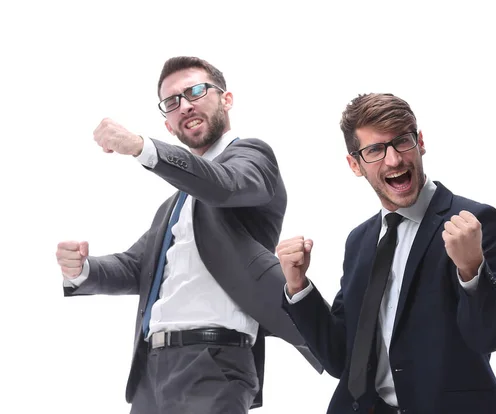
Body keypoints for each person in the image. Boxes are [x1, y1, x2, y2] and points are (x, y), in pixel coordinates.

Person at [56, 56, 320, 414]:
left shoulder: (253, 157)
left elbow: (224, 186)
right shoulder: (175, 205)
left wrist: (141, 148)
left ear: (226, 99)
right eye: (172, 101)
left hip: (213, 360)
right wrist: (80, 269)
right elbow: (137, 267)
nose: (185, 104)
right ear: (168, 124)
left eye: (196, 90)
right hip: (152, 370)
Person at [277, 93, 496, 414]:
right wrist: (297, 287)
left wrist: (472, 269)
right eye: (375, 150)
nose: (393, 160)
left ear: (420, 142)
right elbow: (339, 359)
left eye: (401, 142)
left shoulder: (473, 222)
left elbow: (488, 338)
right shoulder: (359, 241)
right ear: (355, 164)